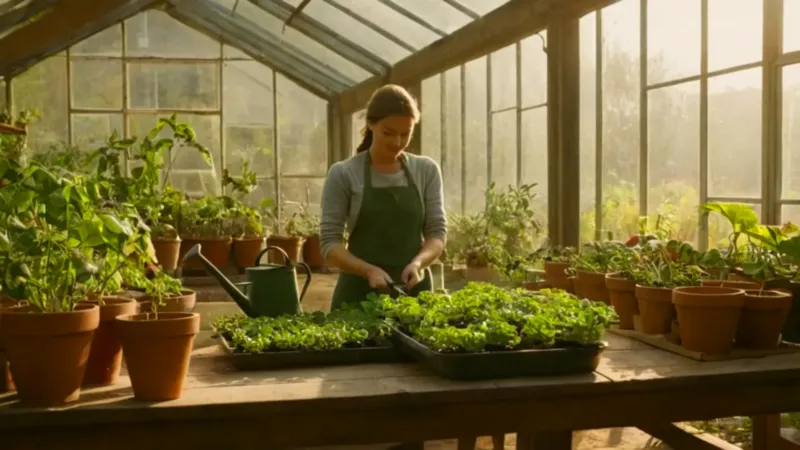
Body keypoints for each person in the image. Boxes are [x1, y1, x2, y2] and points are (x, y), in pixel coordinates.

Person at [320, 84, 447, 311]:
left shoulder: (426, 170)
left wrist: (418, 263)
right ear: (370, 124)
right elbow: (330, 244)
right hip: (358, 297)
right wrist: (368, 270)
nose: (397, 142)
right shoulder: (344, 174)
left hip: (414, 295)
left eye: (405, 134)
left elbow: (436, 233)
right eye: (388, 133)